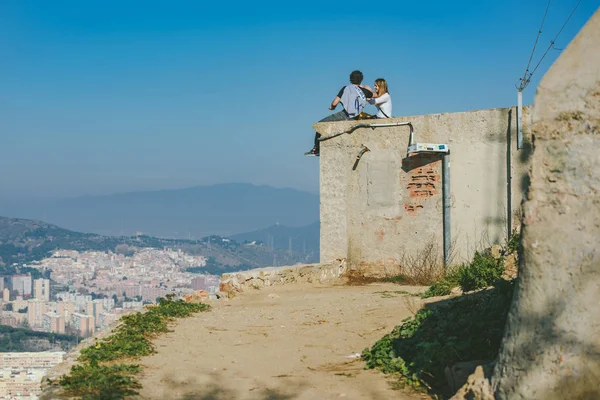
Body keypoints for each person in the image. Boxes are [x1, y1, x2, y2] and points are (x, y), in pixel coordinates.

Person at [305, 70, 373, 156]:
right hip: (356, 117)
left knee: (320, 125)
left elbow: (335, 102)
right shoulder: (363, 91)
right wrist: (367, 88)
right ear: (361, 80)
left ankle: (316, 149)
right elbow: (374, 95)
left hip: (345, 115)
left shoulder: (346, 88)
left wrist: (332, 107)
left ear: (350, 79)